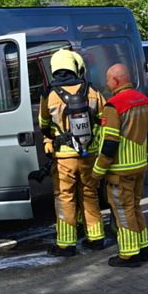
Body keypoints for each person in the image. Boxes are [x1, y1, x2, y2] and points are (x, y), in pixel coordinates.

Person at [39, 49, 106, 256]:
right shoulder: (92, 92)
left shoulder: (49, 95)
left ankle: (66, 244)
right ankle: (96, 238)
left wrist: (50, 139)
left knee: (64, 197)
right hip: (89, 154)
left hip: (64, 157)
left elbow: (43, 123)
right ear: (75, 67)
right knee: (89, 194)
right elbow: (105, 119)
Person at [92, 64, 148, 268]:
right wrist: (145, 157)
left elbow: (110, 142)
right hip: (139, 167)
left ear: (117, 81)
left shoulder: (114, 105)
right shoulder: (144, 101)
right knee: (135, 207)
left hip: (120, 171)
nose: (107, 84)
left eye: (109, 80)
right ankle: (143, 248)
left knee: (123, 210)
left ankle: (129, 255)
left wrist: (98, 171)